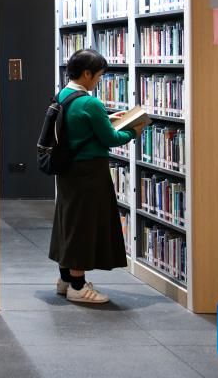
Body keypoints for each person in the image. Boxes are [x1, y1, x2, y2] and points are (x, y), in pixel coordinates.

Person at [49, 49, 149, 303]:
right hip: (89, 173)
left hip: (68, 171)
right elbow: (111, 138)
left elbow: (81, 127)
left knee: (68, 222)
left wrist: (107, 118)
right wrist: (134, 131)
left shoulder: (63, 95)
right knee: (84, 226)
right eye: (99, 76)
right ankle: (79, 287)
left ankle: (65, 279)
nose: (99, 81)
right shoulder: (90, 102)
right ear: (86, 74)